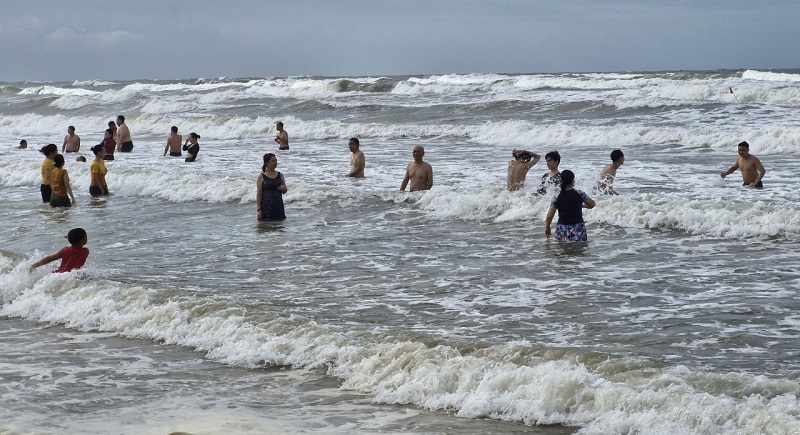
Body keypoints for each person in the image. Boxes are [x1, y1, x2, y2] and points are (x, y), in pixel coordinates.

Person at [545, 170, 596, 242]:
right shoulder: (580, 194)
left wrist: (547, 227)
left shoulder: (556, 197)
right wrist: (580, 205)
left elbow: (549, 216)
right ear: (573, 181)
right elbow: (592, 204)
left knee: (563, 251)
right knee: (579, 251)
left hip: (562, 228)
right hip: (578, 227)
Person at [256, 153, 287, 221]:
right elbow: (259, 194)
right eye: (273, 161)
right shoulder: (261, 176)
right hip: (266, 206)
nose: (275, 163)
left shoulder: (280, 175)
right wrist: (259, 210)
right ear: (266, 163)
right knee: (266, 228)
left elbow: (285, 191)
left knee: (279, 227)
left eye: (276, 160)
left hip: (278, 205)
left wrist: (284, 188)